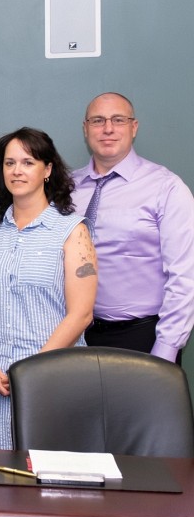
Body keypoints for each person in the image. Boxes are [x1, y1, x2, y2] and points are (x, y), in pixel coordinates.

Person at [0, 128, 97, 449]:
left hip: (53, 380)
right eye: (9, 163)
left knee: (54, 488)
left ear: (48, 170)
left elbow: (81, 314)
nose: (17, 171)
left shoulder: (72, 231)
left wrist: (31, 371)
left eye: (27, 162)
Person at [71, 93, 194, 362]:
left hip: (143, 338)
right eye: (97, 120)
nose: (108, 129)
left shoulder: (167, 188)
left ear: (134, 127)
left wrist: (166, 350)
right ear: (85, 128)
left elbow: (185, 277)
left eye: (118, 120)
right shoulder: (67, 189)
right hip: (77, 337)